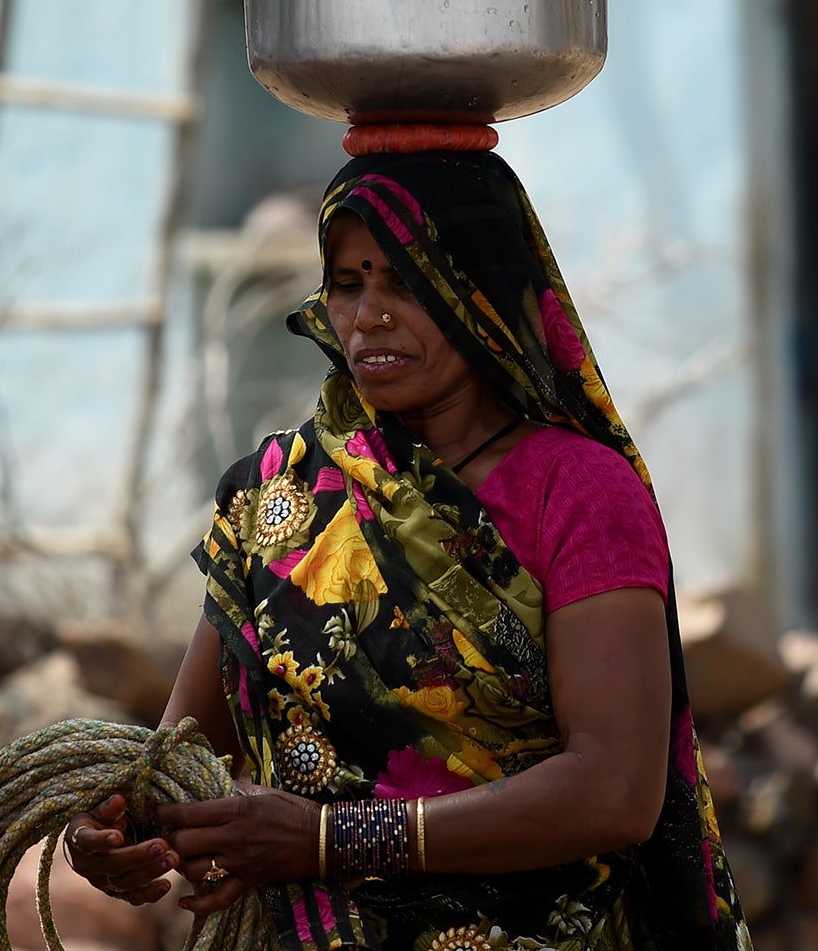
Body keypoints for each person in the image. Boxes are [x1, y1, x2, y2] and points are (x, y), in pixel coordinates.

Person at [66, 149, 750, 950]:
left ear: (484, 294)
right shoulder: (282, 494)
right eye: (349, 282)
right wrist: (112, 828)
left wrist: (331, 842)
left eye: (407, 280)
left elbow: (615, 790)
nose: (370, 315)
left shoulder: (575, 492)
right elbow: (180, 757)